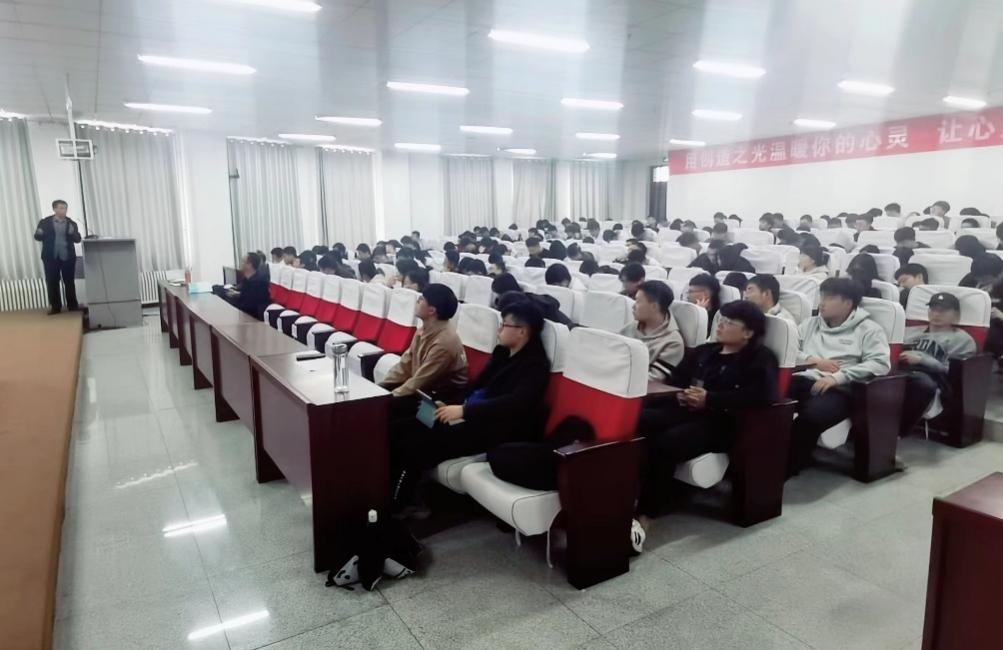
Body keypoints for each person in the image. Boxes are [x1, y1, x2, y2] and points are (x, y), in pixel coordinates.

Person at [390, 298, 551, 512]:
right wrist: (451, 404)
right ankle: (385, 488)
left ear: (522, 331)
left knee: (415, 444)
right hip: (468, 413)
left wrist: (464, 411)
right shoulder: (502, 353)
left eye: (504, 325)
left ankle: (403, 503)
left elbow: (514, 404)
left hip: (493, 427)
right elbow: (476, 387)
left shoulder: (535, 366)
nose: (499, 330)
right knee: (404, 424)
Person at [634, 301, 778, 522]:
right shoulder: (705, 351)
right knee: (639, 420)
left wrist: (710, 399)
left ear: (748, 333)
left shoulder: (760, 358)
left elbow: (761, 396)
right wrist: (680, 394)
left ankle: (647, 513)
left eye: (729, 323)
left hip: (721, 421)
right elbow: (676, 380)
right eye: (720, 320)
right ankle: (625, 491)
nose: (720, 325)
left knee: (668, 442)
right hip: (685, 410)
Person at [787, 278, 891, 473]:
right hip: (803, 378)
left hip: (840, 388)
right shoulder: (810, 324)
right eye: (822, 297)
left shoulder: (869, 329)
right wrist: (814, 361)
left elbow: (880, 363)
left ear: (848, 303)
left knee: (810, 418)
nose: (822, 303)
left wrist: (838, 377)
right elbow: (789, 350)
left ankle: (784, 468)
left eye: (830, 298)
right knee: (766, 400)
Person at [898, 292, 976, 436]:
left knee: (922, 383)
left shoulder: (962, 340)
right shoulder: (908, 331)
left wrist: (921, 360)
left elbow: (953, 371)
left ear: (956, 315)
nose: (937, 314)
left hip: (933, 378)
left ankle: (897, 432)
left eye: (943, 310)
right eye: (933, 309)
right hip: (901, 369)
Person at [380, 284, 468, 402]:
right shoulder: (423, 330)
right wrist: (380, 387)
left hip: (441, 398)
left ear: (431, 310)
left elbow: (420, 382)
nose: (417, 302)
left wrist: (384, 399)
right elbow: (405, 364)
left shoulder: (444, 344)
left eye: (421, 299)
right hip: (423, 386)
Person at [620, 281, 684, 382]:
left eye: (637, 301)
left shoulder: (673, 342)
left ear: (654, 306)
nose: (633, 306)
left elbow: (653, 379)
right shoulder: (632, 327)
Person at [34, 199, 82, 314]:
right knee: (52, 282)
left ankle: (72, 306)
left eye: (65, 208)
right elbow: (37, 237)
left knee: (69, 282)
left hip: (68, 258)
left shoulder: (71, 223)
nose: (63, 210)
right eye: (61, 208)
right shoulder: (45, 222)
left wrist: (72, 233)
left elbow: (78, 239)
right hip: (50, 257)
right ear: (54, 209)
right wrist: (39, 233)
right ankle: (55, 307)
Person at [491, 274, 575, 327]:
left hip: (568, 330)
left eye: (498, 294)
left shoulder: (528, 306)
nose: (497, 298)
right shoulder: (518, 301)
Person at [224, 253, 271, 319]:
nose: (240, 264)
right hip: (243, 312)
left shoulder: (259, 282)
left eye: (242, 261)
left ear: (249, 265)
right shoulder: (246, 279)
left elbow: (249, 305)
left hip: (252, 317)